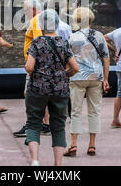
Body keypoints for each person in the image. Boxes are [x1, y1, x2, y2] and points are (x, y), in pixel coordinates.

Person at [24, 9, 79, 166]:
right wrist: (63, 75)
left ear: (41, 24)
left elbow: (29, 67)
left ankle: (35, 160)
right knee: (58, 127)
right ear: (56, 24)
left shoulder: (37, 42)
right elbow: (75, 68)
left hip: (37, 89)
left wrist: (39, 74)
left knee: (33, 123)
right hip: (60, 90)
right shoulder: (63, 42)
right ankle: (58, 164)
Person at [64, 7, 110, 157]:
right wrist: (106, 78)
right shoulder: (99, 36)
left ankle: (74, 144)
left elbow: (67, 60)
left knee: (76, 111)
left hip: (77, 77)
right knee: (94, 111)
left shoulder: (72, 37)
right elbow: (106, 58)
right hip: (96, 77)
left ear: (78, 20)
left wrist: (66, 74)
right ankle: (92, 145)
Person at [13, 0, 52, 138]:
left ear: (33, 10)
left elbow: (39, 43)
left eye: (26, 11)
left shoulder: (36, 21)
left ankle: (32, 125)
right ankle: (45, 123)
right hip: (43, 65)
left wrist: (33, 65)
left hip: (35, 65)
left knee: (29, 94)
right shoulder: (45, 19)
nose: (25, 13)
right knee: (42, 94)